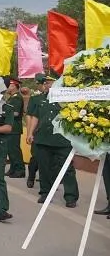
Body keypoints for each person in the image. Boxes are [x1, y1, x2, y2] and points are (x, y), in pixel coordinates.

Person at [28, 72, 79, 207]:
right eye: (45, 83)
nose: (46, 85)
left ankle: (71, 197)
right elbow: (35, 117)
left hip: (62, 140)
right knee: (44, 168)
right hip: (43, 138)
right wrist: (30, 133)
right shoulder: (40, 99)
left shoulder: (67, 100)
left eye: (50, 82)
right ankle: (45, 193)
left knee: (67, 168)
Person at [25, 75, 47, 190]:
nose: (42, 86)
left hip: (49, 133)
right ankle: (31, 177)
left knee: (49, 160)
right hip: (37, 132)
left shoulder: (53, 98)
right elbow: (29, 116)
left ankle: (48, 182)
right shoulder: (35, 99)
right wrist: (29, 133)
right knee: (36, 157)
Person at [3, 78, 26, 178]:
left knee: (14, 149)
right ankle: (13, 168)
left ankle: (20, 169)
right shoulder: (11, 97)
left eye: (8, 85)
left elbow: (15, 113)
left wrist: (3, 114)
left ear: (13, 86)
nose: (6, 88)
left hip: (14, 127)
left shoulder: (17, 98)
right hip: (10, 127)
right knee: (10, 150)